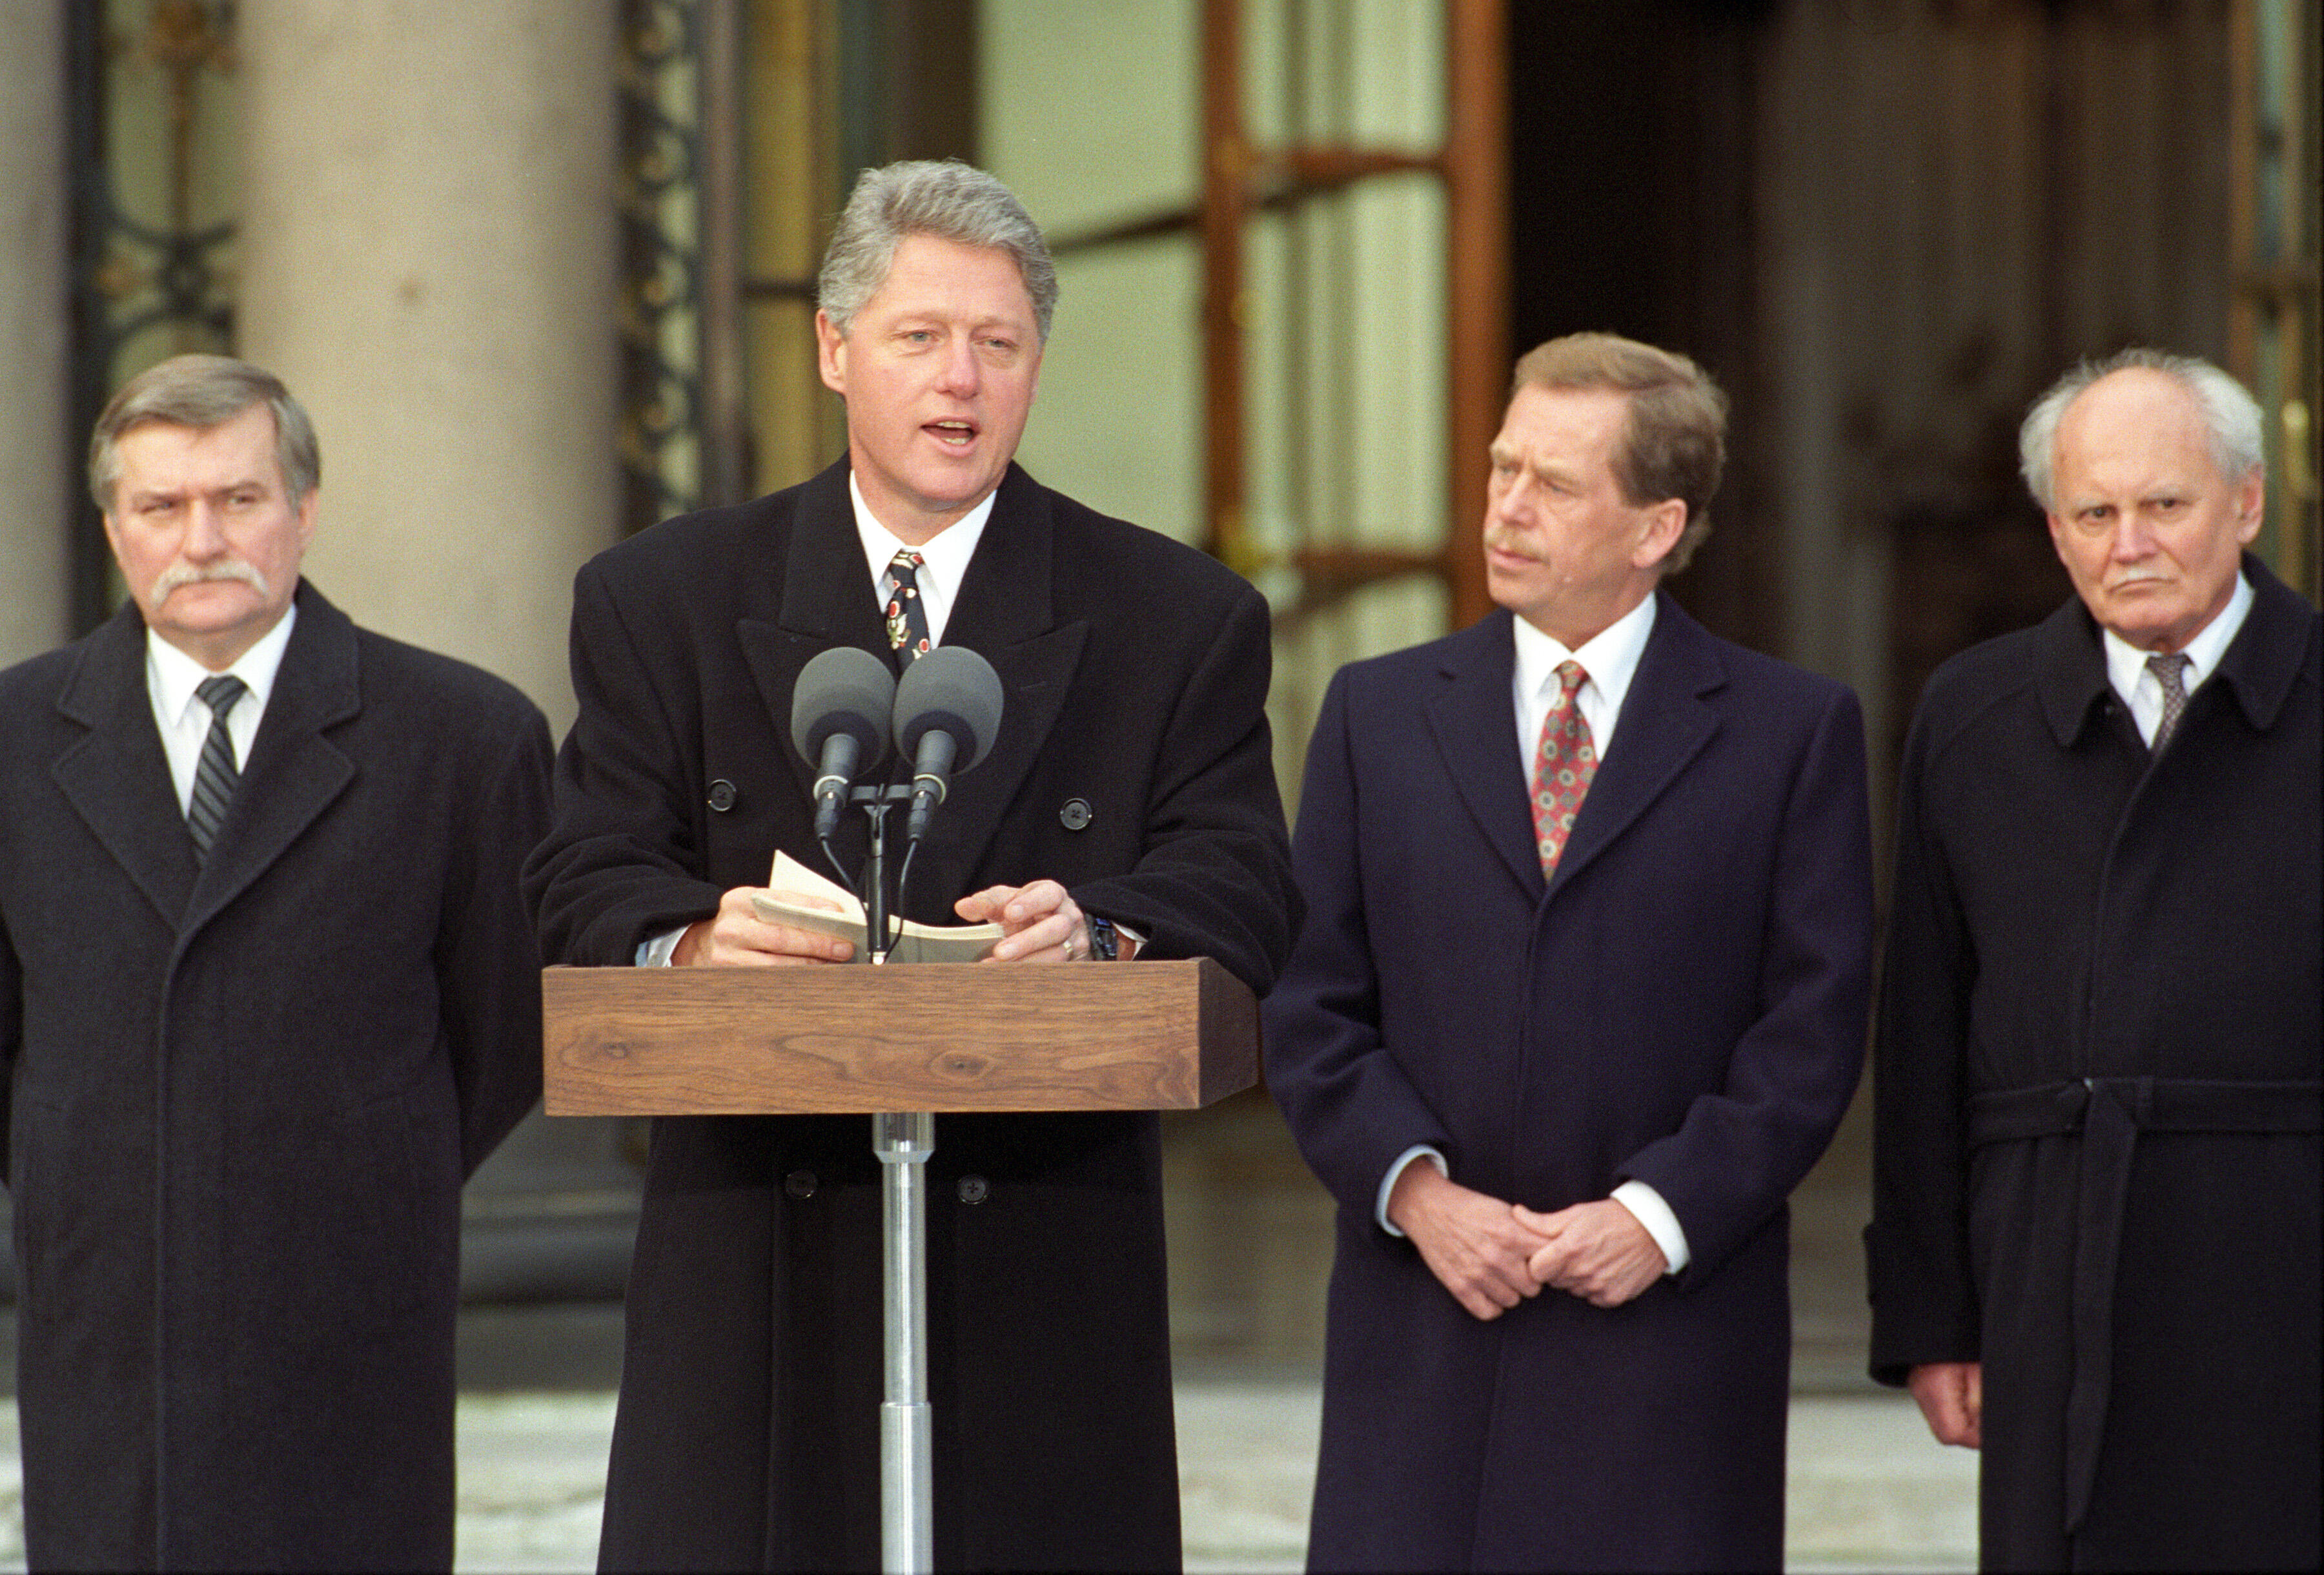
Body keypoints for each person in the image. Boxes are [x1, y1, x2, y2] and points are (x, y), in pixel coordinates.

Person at [524, 158, 1298, 1573]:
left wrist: (1103, 927)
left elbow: (1245, 874)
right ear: (832, 349)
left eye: (999, 345)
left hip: (1044, 1258)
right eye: (920, 339)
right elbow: (580, 872)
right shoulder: (664, 599)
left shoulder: (1175, 615)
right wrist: (692, 947)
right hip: (756, 1255)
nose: (963, 382)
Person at [1263, 332, 1874, 1570]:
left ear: (1655, 529)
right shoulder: (1375, 714)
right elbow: (1311, 998)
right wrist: (1417, 1195)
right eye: (1501, 469)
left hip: (1664, 1341)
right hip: (1425, 1322)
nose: (1506, 508)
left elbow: (1811, 1031)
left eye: (1554, 484)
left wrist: (1658, 1215)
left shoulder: (1791, 731)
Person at [0, 354, 550, 1570]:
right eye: (162, 508)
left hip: (350, 1320)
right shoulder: (10, 743)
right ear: (113, 529)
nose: (203, 539)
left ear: (304, 508)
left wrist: (357, 1164)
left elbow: (509, 1030)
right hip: (108, 1320)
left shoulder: (465, 739)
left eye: (239, 500)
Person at [1866, 348, 2320, 1571]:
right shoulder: (1972, 719)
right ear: (2056, 532)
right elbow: (1920, 1037)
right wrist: (1931, 1316)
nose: (2131, 543)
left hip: (2283, 1273)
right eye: (2094, 512)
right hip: (2049, 1275)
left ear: (2247, 504)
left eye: (2164, 505)